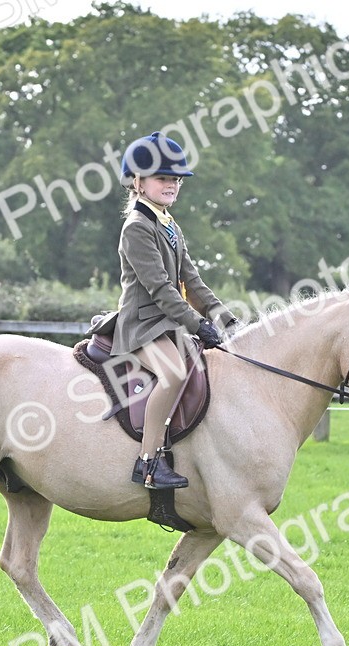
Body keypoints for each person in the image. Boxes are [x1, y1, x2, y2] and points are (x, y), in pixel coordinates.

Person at [111, 131, 238, 490]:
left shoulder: (169, 226)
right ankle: (148, 463)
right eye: (162, 178)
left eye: (176, 179)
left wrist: (224, 316)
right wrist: (198, 324)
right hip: (141, 325)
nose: (171, 185)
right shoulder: (137, 228)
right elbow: (162, 290)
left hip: (168, 325)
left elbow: (192, 282)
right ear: (138, 182)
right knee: (174, 372)